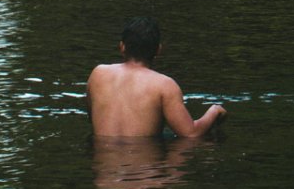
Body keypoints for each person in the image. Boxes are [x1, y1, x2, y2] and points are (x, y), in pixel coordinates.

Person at [86, 17, 227, 138]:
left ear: (122, 47)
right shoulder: (164, 85)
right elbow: (190, 134)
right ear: (158, 50)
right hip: (147, 166)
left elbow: (92, 117)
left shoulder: (98, 74)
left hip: (104, 166)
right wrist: (214, 111)